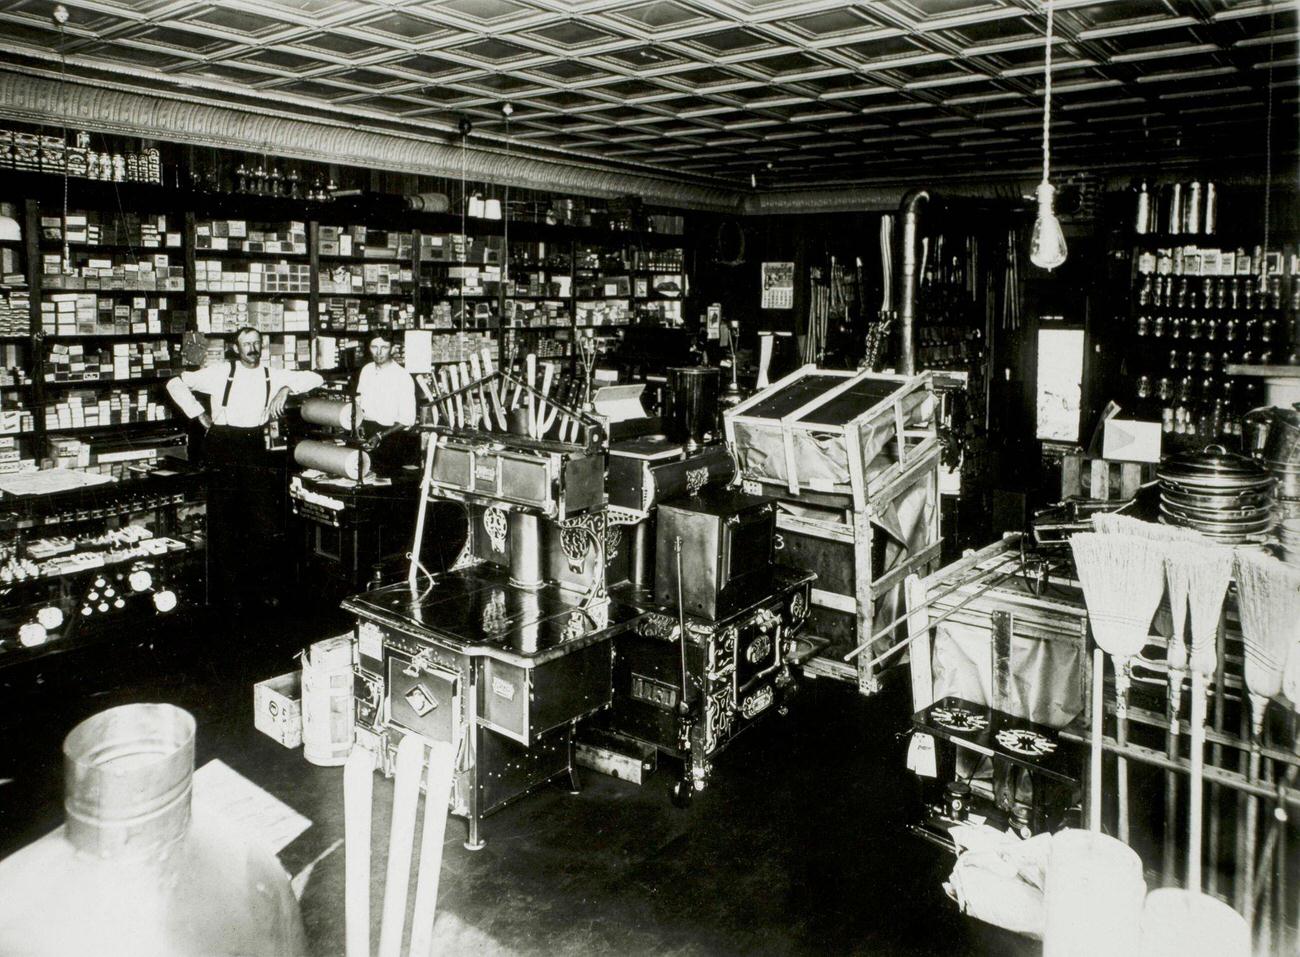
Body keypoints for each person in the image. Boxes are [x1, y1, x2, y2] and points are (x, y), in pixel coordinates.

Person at [166, 326, 323, 612]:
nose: (252, 348)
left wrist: (285, 389)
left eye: (257, 343)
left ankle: (262, 588)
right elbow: (175, 383)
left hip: (254, 446)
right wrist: (198, 413)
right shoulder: (219, 372)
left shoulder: (272, 374)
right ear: (235, 349)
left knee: (262, 520)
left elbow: (316, 376)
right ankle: (228, 594)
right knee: (224, 520)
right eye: (246, 344)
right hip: (223, 444)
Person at [353, 331, 417, 476]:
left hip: (390, 437)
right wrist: (358, 424)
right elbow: (359, 402)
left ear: (393, 349)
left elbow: (407, 419)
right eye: (374, 347)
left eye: (384, 347)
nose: (379, 352)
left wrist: (380, 436)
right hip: (366, 431)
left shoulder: (402, 376)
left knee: (383, 482)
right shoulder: (366, 370)